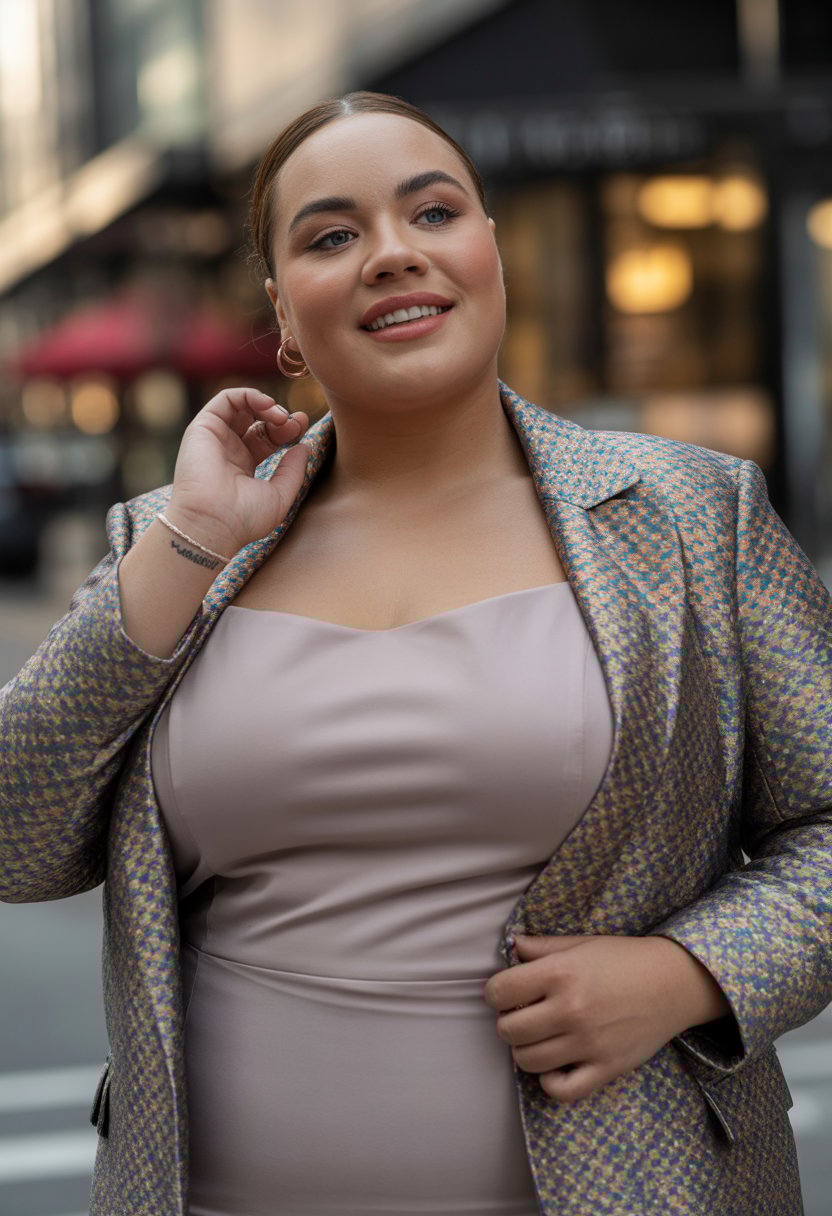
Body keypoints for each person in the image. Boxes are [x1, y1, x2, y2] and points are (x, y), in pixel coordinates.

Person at [1, 90, 830, 1216]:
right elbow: (16, 839)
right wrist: (192, 541)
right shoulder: (174, 541)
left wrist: (688, 974)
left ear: (489, 250)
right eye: (332, 236)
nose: (391, 254)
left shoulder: (692, 514)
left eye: (432, 213)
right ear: (282, 313)